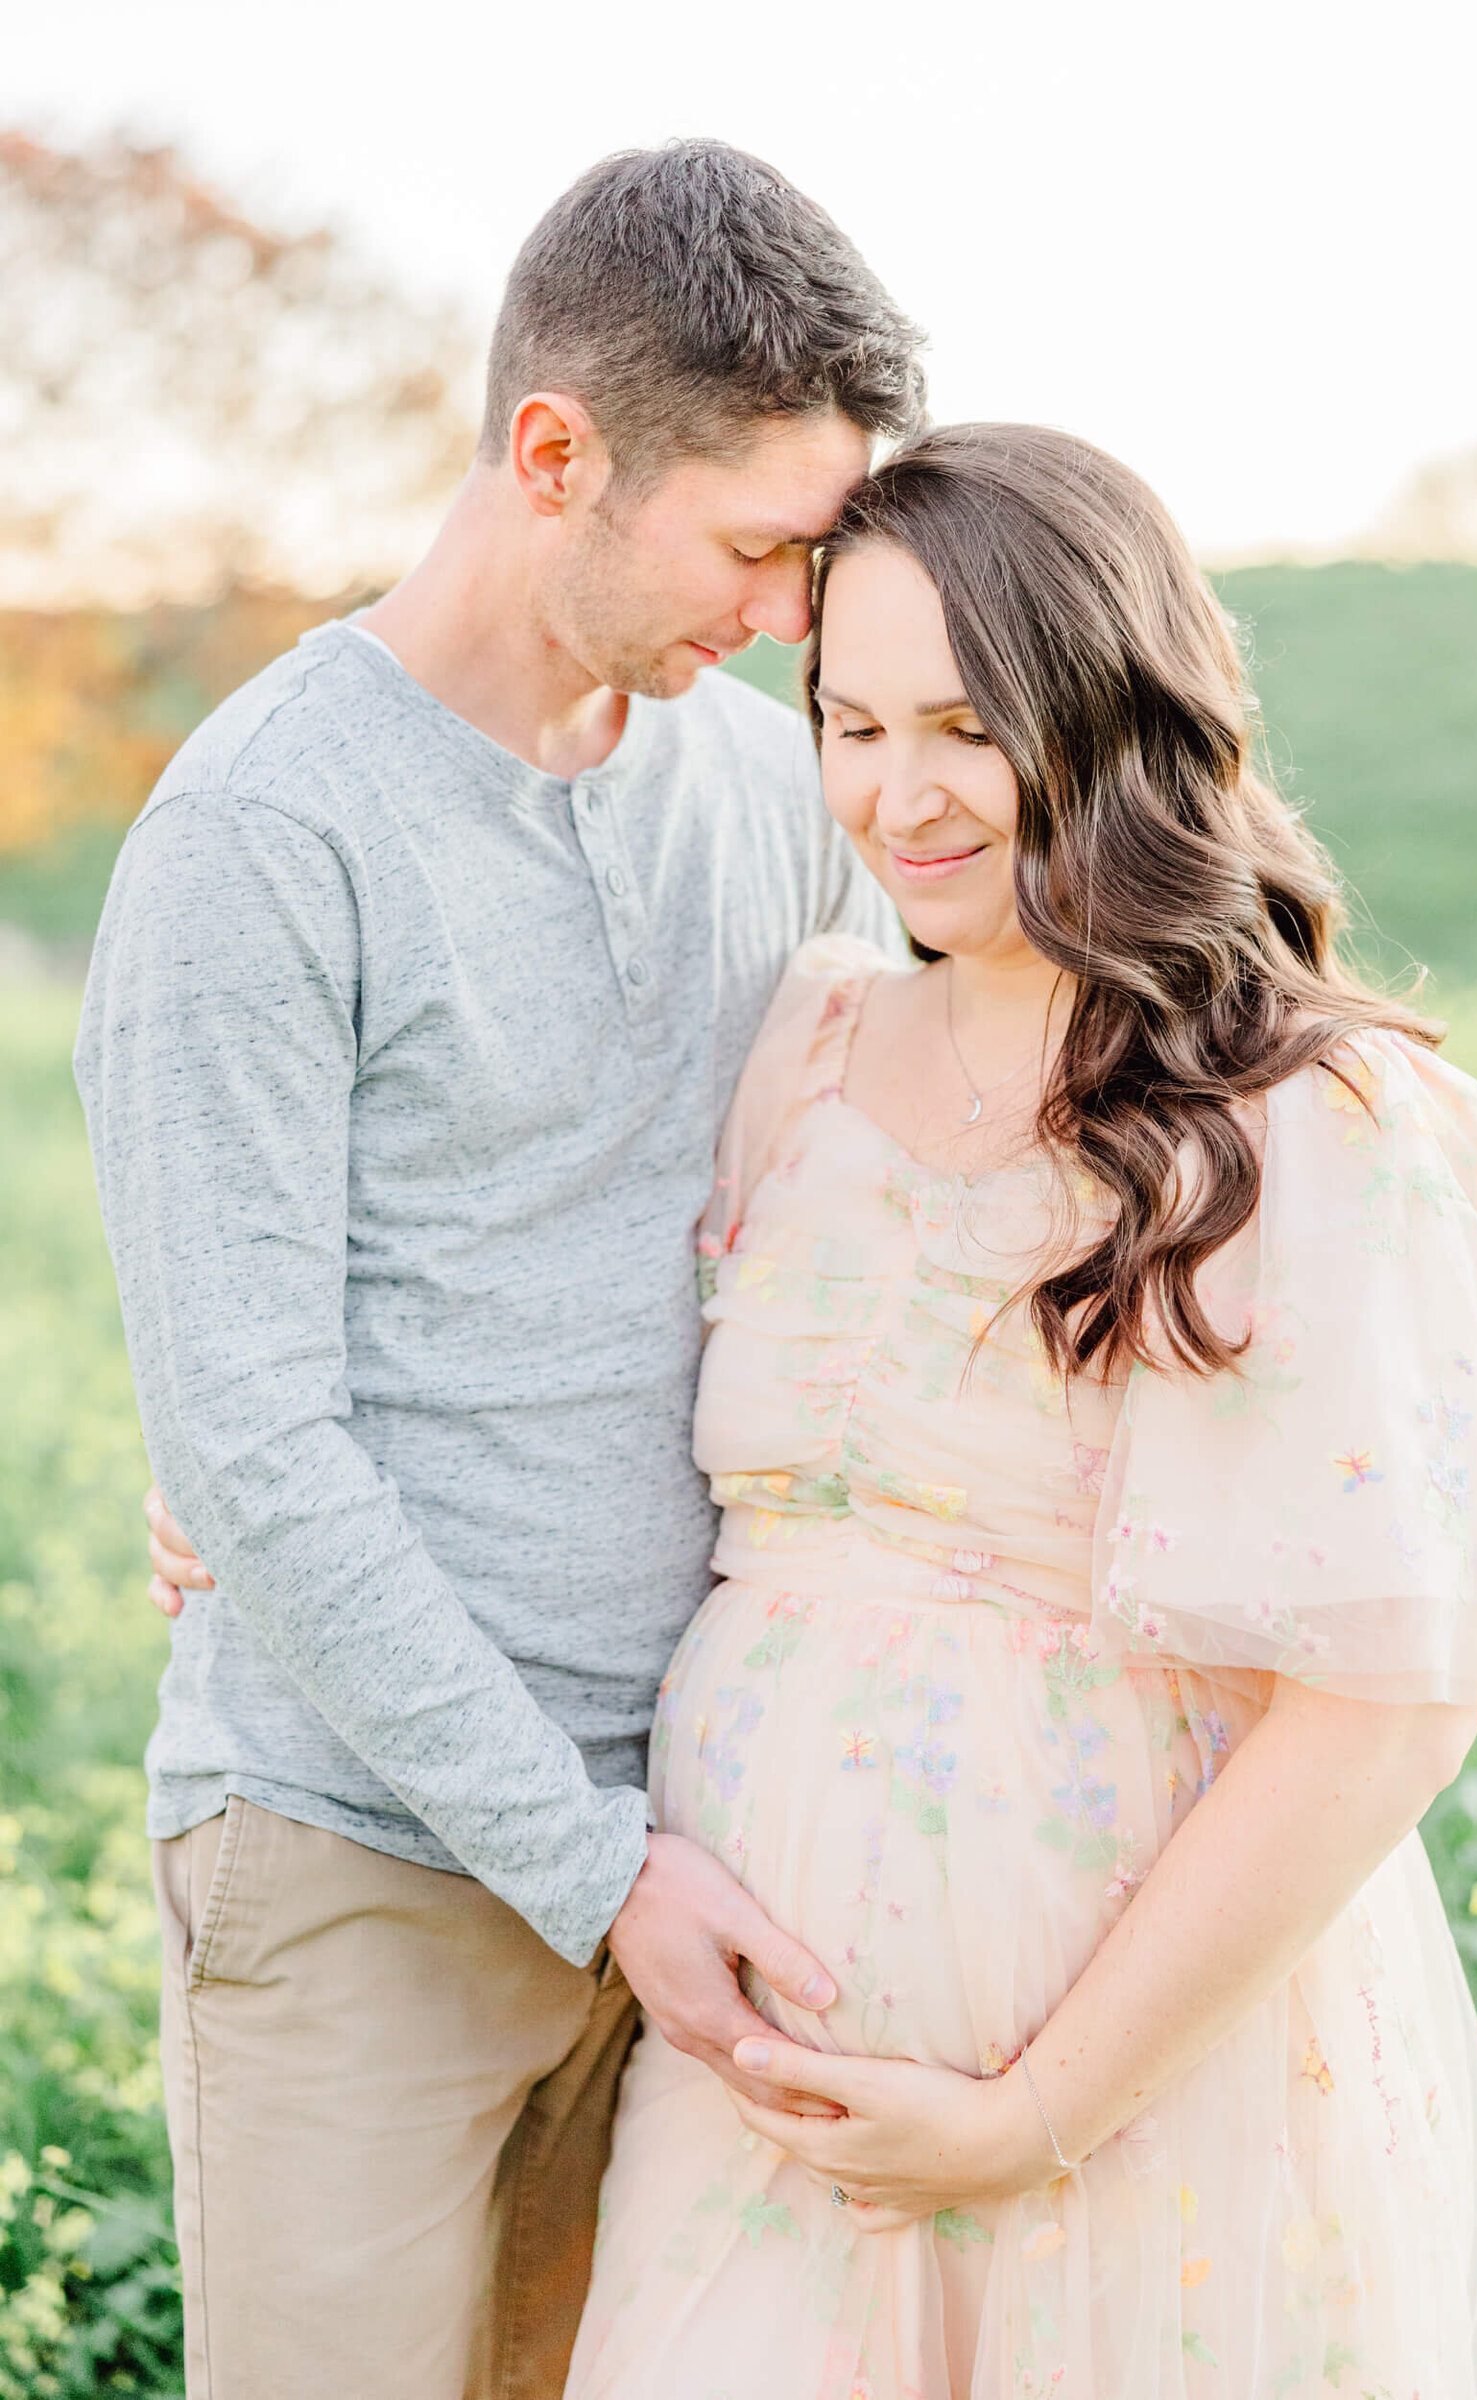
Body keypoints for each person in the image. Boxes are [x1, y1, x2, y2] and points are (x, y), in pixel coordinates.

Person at [552, 426, 1477, 2398]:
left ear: (1115, 708)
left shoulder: (1320, 1125)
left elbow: (1380, 1707)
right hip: (767, 2095)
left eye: (963, 721)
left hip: (1146, 2111)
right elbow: (568, 1362)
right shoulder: (803, 1044)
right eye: (848, 724)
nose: (895, 794)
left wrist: (1032, 2109)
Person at [75, 140, 924, 2400]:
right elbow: (255, 1442)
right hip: (364, 1863)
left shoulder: (767, 797)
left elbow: (881, 1225)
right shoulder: (264, 838)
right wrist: (585, 1862)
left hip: (724, 1857)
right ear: (554, 455)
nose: (781, 615)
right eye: (752, 545)